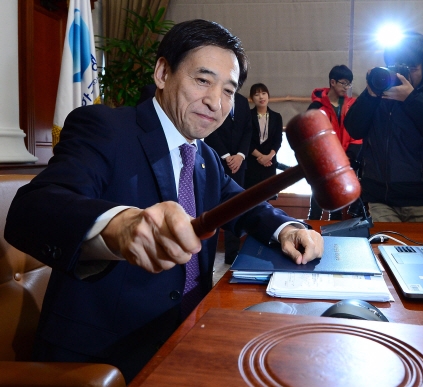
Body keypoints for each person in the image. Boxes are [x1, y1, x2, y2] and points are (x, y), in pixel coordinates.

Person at [4, 19, 323, 383]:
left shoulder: (203, 156)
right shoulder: (105, 128)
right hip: (104, 360)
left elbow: (245, 204)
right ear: (162, 73)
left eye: (229, 90)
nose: (215, 102)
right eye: (203, 80)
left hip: (189, 340)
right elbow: (32, 209)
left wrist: (287, 227)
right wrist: (118, 225)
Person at [344, 31, 423, 223]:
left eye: (411, 69)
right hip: (381, 199)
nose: (402, 75)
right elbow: (354, 128)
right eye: (396, 68)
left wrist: (412, 99)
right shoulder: (378, 95)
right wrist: (370, 94)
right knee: (382, 251)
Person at [307, 65, 363, 221]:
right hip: (322, 163)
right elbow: (310, 135)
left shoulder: (352, 106)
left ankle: (336, 238)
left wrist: (349, 158)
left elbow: (357, 134)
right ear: (333, 82)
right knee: (317, 203)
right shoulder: (317, 107)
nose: (347, 87)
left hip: (344, 162)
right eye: (344, 83)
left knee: (338, 205)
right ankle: (311, 234)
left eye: (349, 84)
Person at [204, 92, 252, 264]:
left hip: (239, 164)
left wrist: (240, 155)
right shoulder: (212, 97)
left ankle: (232, 255)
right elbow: (210, 130)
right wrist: (226, 155)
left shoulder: (242, 101)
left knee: (236, 207)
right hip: (216, 159)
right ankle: (206, 256)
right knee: (212, 209)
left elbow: (248, 129)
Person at [244, 83, 283, 191]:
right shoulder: (248, 116)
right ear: (252, 99)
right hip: (252, 162)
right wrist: (261, 157)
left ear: (268, 96)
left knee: (267, 197)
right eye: (257, 94)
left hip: (269, 163)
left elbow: (278, 140)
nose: (261, 97)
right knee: (250, 197)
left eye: (264, 93)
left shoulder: (276, 117)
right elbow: (246, 140)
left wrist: (269, 156)